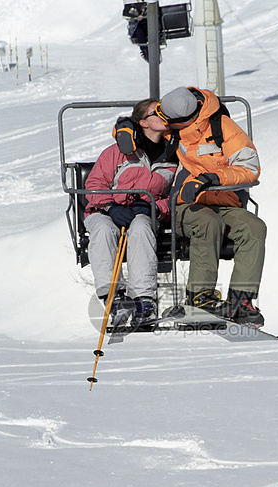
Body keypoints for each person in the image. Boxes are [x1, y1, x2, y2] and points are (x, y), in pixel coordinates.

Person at [154, 86, 267, 326]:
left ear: (190, 118)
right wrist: (124, 128)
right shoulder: (168, 120)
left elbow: (249, 168)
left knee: (254, 227)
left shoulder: (223, 128)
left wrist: (213, 178)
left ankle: (241, 301)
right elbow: (140, 121)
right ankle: (199, 297)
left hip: (225, 202)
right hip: (187, 205)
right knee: (208, 222)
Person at [84, 98, 177, 326]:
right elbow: (94, 184)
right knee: (104, 230)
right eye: (157, 112)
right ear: (143, 122)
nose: (164, 115)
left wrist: (154, 207)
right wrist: (110, 207)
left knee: (142, 227)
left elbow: (176, 195)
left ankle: (144, 299)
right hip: (104, 211)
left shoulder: (173, 154)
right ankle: (112, 297)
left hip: (143, 214)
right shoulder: (118, 152)